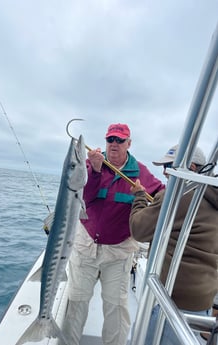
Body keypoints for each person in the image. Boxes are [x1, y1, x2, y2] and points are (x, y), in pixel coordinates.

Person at [61, 123, 165, 345]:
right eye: (110, 140)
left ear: (129, 143)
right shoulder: (89, 165)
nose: (114, 144)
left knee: (116, 307)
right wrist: (96, 172)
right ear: (105, 142)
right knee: (76, 302)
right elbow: (84, 198)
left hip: (119, 252)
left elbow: (162, 196)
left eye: (120, 140)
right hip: (85, 246)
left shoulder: (141, 173)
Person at [129, 144, 218, 345]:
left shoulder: (178, 195)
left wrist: (139, 197)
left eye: (169, 166)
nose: (164, 172)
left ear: (192, 168)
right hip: (201, 302)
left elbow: (139, 230)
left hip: (170, 301)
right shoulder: (211, 196)